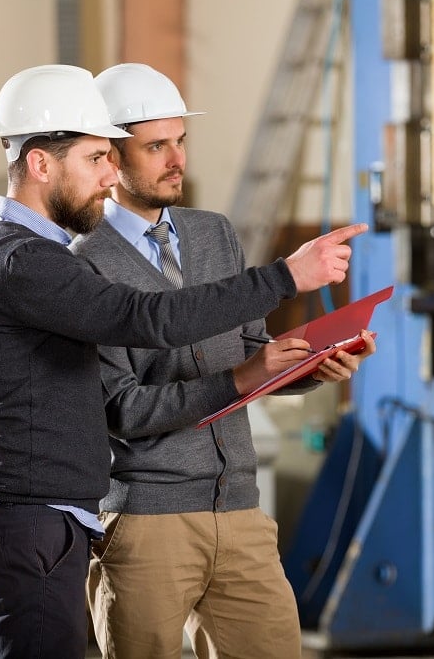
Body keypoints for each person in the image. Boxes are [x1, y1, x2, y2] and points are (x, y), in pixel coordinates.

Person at [0, 64, 366, 659]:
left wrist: (294, 365)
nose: (108, 173)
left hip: (43, 516)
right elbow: (150, 322)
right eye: (97, 158)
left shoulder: (25, 255)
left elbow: (219, 341)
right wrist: (285, 276)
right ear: (42, 163)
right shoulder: (30, 262)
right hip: (41, 517)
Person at [70, 63, 377, 659]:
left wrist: (309, 366)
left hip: (240, 511)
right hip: (146, 521)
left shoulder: (213, 234)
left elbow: (250, 355)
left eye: (180, 141)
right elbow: (122, 409)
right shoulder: (84, 264)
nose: (175, 159)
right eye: (155, 146)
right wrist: (246, 374)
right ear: (109, 156)